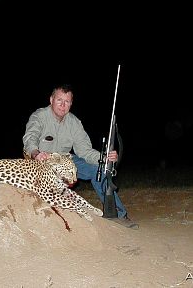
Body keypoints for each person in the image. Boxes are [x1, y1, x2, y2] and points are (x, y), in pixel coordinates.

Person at [23, 84, 138, 229]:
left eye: (67, 102)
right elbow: (30, 138)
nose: (63, 105)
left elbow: (85, 151)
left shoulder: (74, 122)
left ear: (71, 103)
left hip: (65, 161)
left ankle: (117, 214)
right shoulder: (39, 116)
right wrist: (36, 153)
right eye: (59, 100)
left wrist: (104, 158)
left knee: (99, 169)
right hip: (40, 161)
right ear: (51, 99)